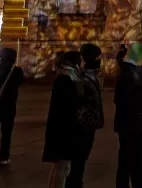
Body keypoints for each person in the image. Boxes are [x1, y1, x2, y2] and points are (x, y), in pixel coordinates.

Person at [44, 51, 85, 187]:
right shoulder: (67, 78)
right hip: (64, 129)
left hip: (62, 127)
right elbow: (68, 104)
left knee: (60, 166)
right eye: (81, 60)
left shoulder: (66, 76)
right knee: (63, 166)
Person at [115, 42, 142, 188]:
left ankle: (135, 182)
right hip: (130, 123)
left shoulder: (134, 71)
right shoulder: (128, 73)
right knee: (131, 155)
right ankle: (132, 183)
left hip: (133, 122)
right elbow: (123, 99)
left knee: (131, 155)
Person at [68, 43, 105, 188]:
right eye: (97, 57)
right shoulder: (80, 78)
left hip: (88, 125)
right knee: (78, 159)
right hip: (82, 126)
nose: (100, 60)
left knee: (81, 159)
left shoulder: (90, 76)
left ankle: (76, 182)